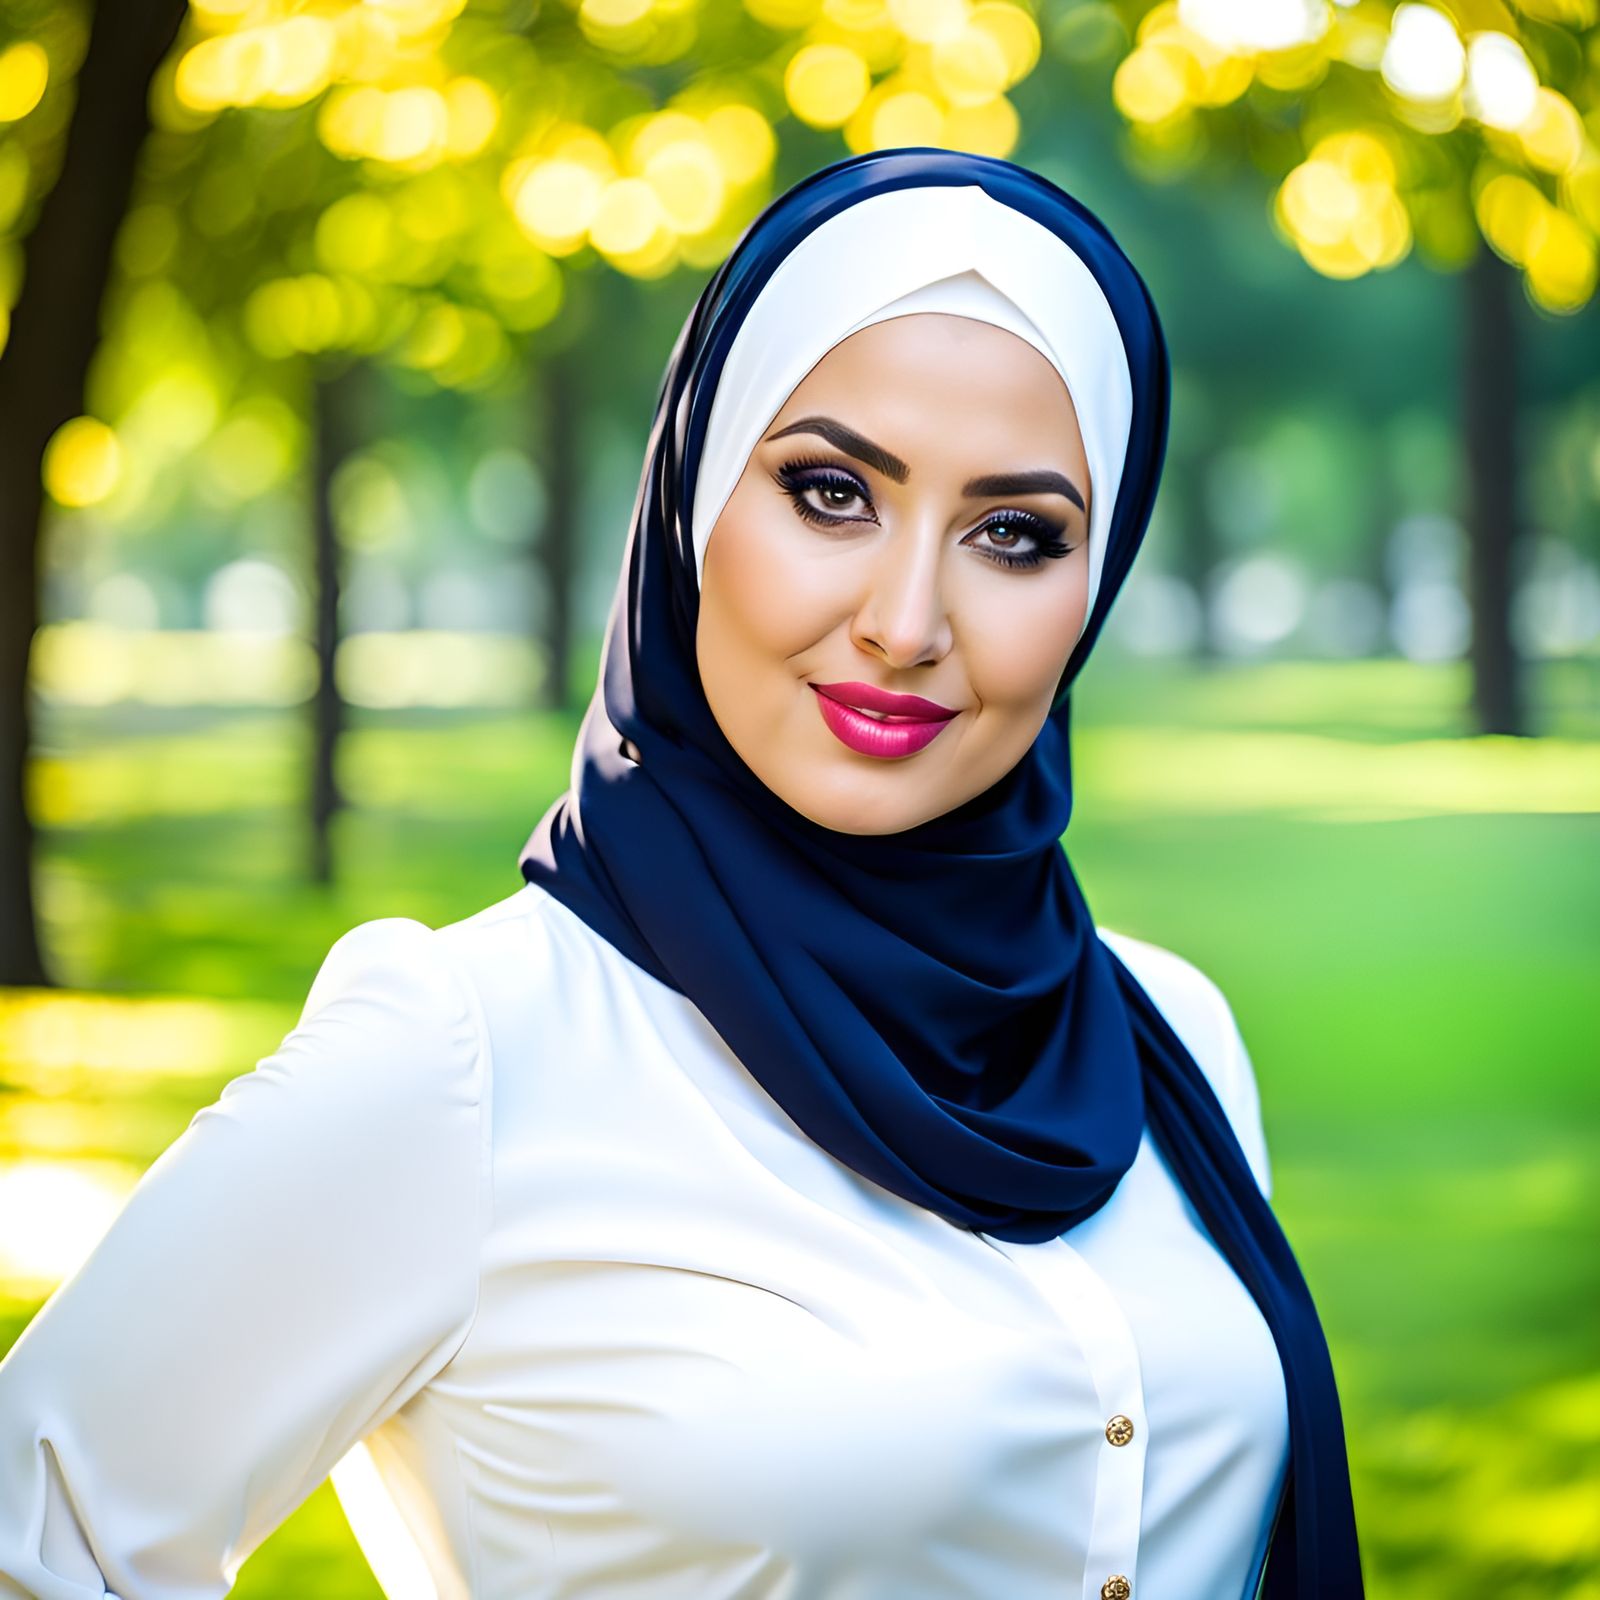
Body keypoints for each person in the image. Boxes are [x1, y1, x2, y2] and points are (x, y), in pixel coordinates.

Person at [0, 147, 1363, 1599]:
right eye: (833, 492)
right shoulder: (470, 1051)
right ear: (694, 504)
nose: (907, 622)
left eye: (1014, 535)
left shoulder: (1172, 1041)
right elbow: (44, 1528)